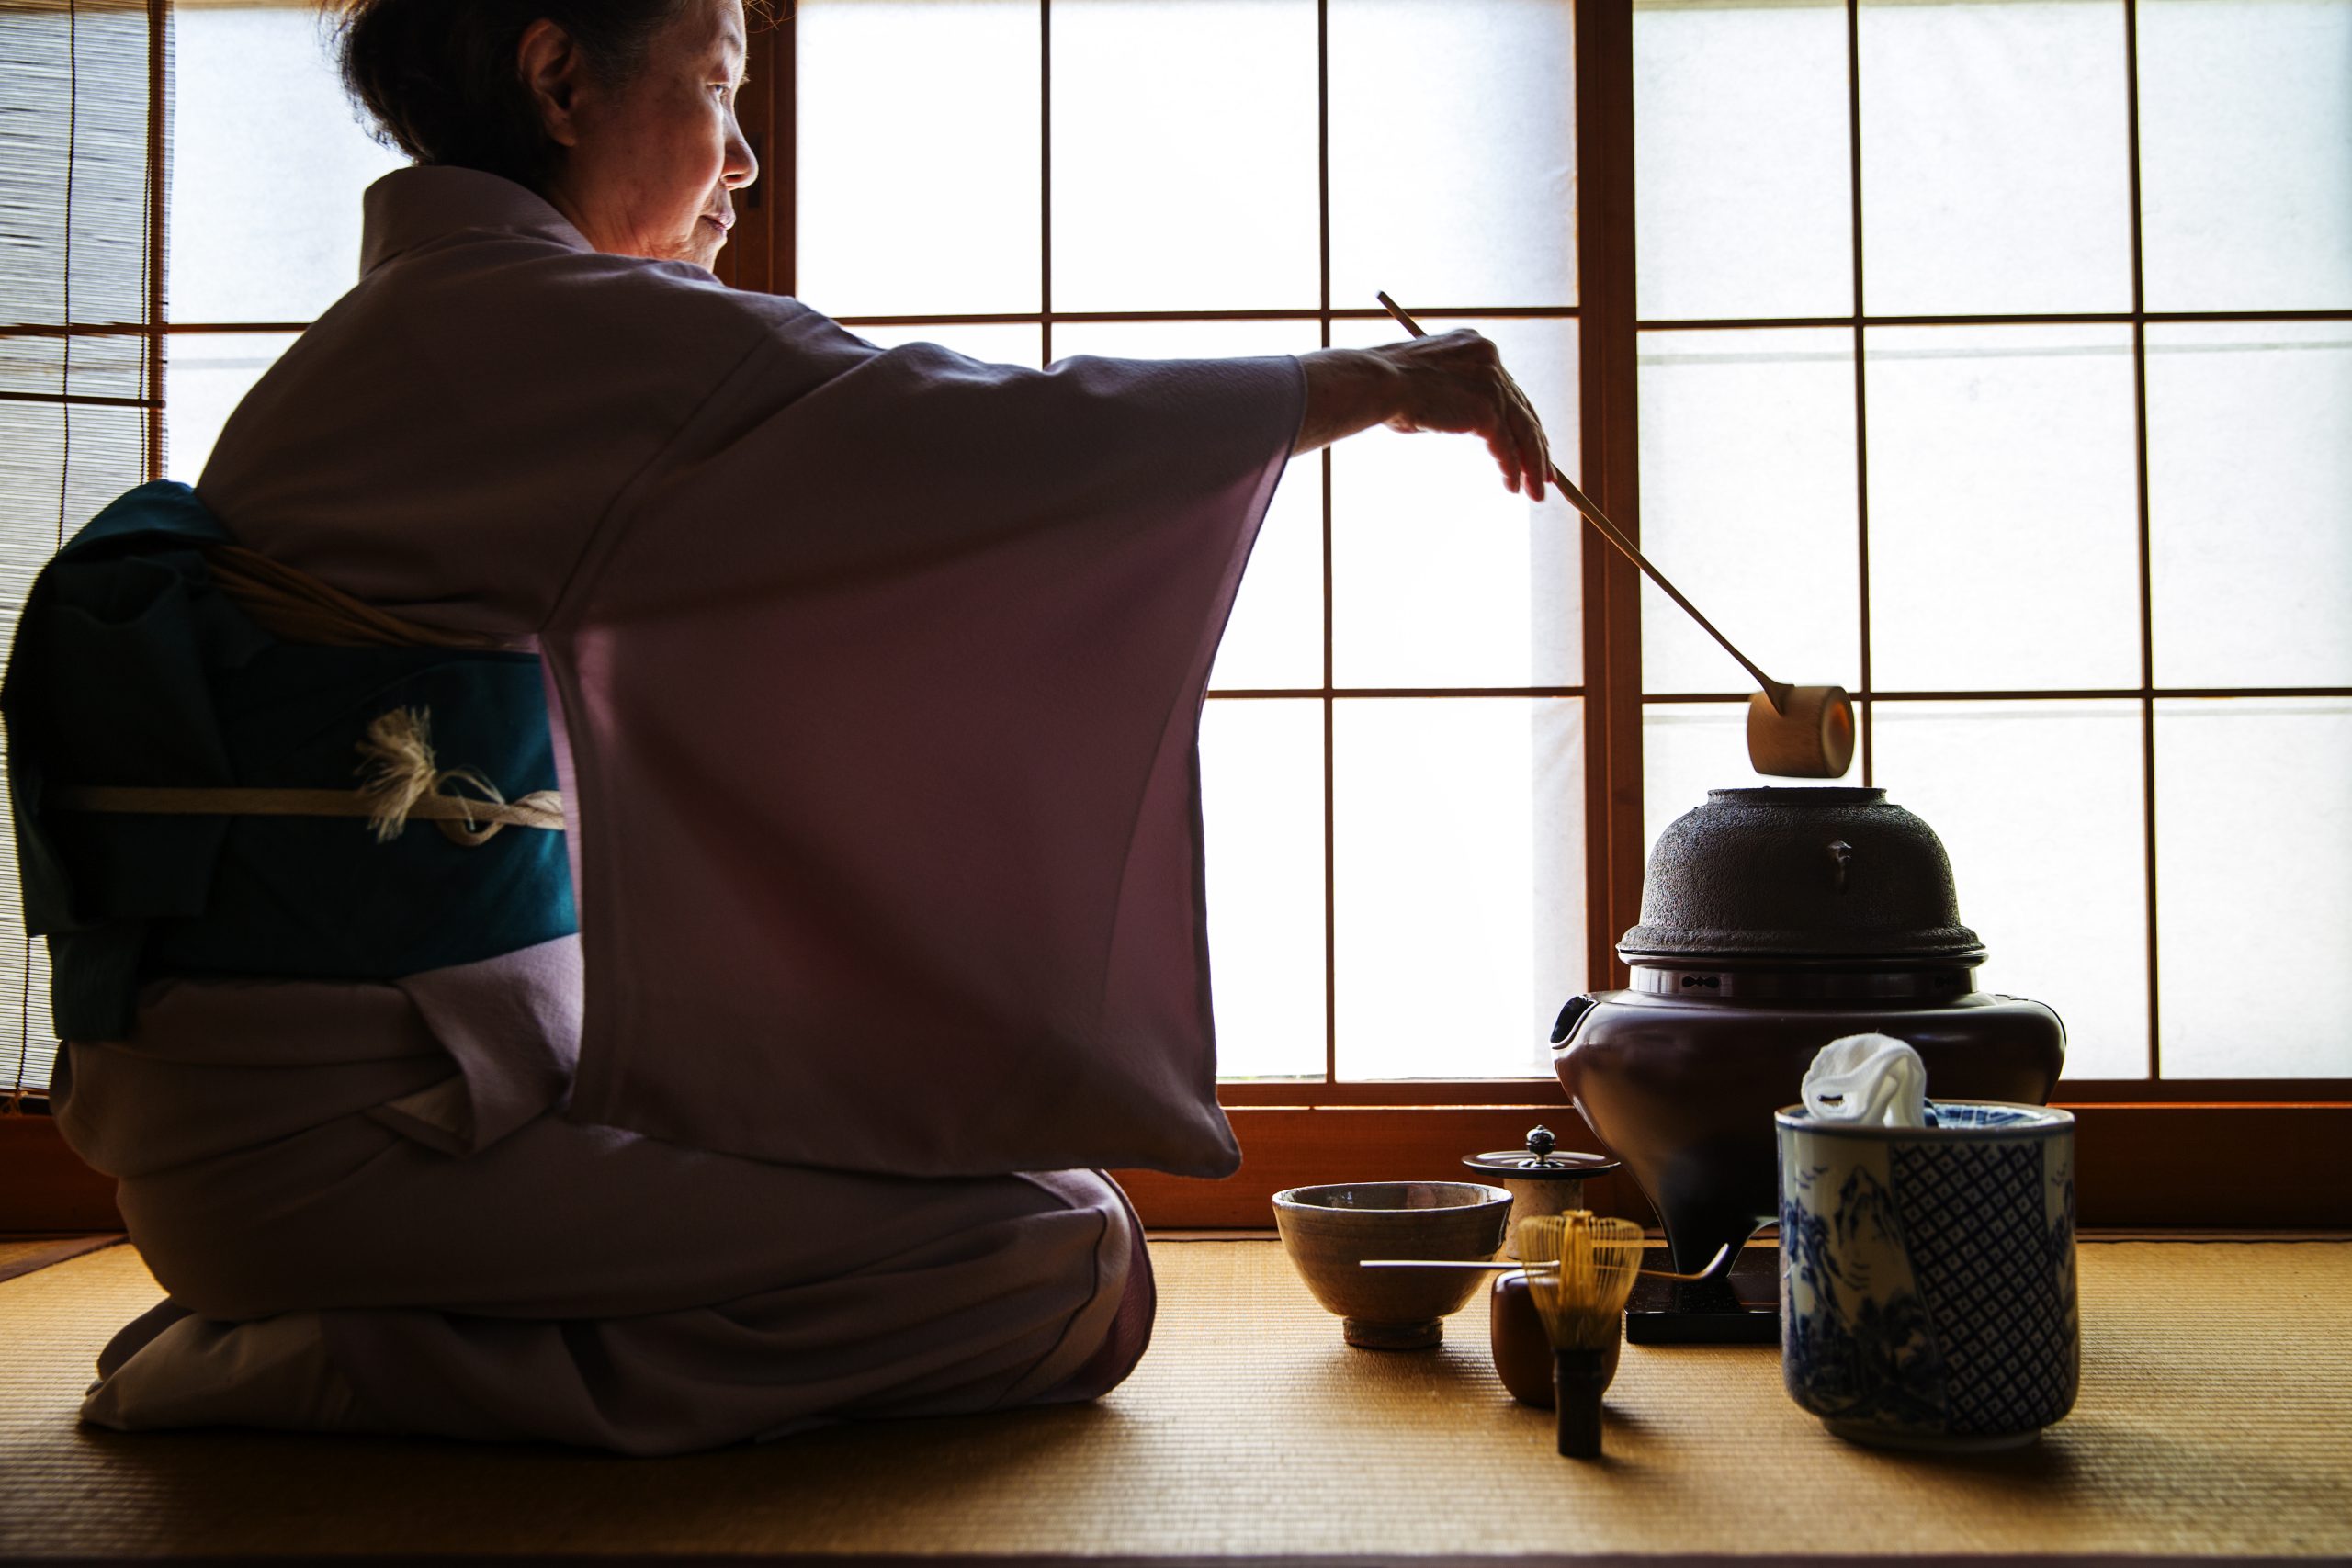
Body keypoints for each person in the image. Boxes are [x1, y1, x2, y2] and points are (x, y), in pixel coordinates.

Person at [8, 0, 1553, 1453]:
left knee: (1048, 1212)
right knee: (1065, 1257)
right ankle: (342, 1367)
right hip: (349, 1141)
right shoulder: (536, 325)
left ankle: (356, 1326)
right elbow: (978, 447)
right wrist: (1362, 382)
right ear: (560, 83)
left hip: (322, 1112)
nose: (743, 154)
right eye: (719, 85)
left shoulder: (434, 329)